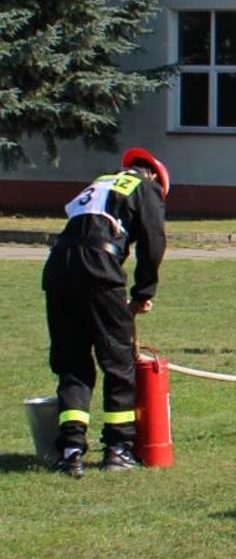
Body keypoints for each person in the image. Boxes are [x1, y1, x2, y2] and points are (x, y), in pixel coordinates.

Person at [42, 148, 169, 478]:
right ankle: (118, 449)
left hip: (58, 268)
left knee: (72, 362)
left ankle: (70, 450)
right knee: (118, 361)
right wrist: (143, 293)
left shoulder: (99, 184)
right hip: (98, 268)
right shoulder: (145, 186)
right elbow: (153, 241)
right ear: (153, 175)